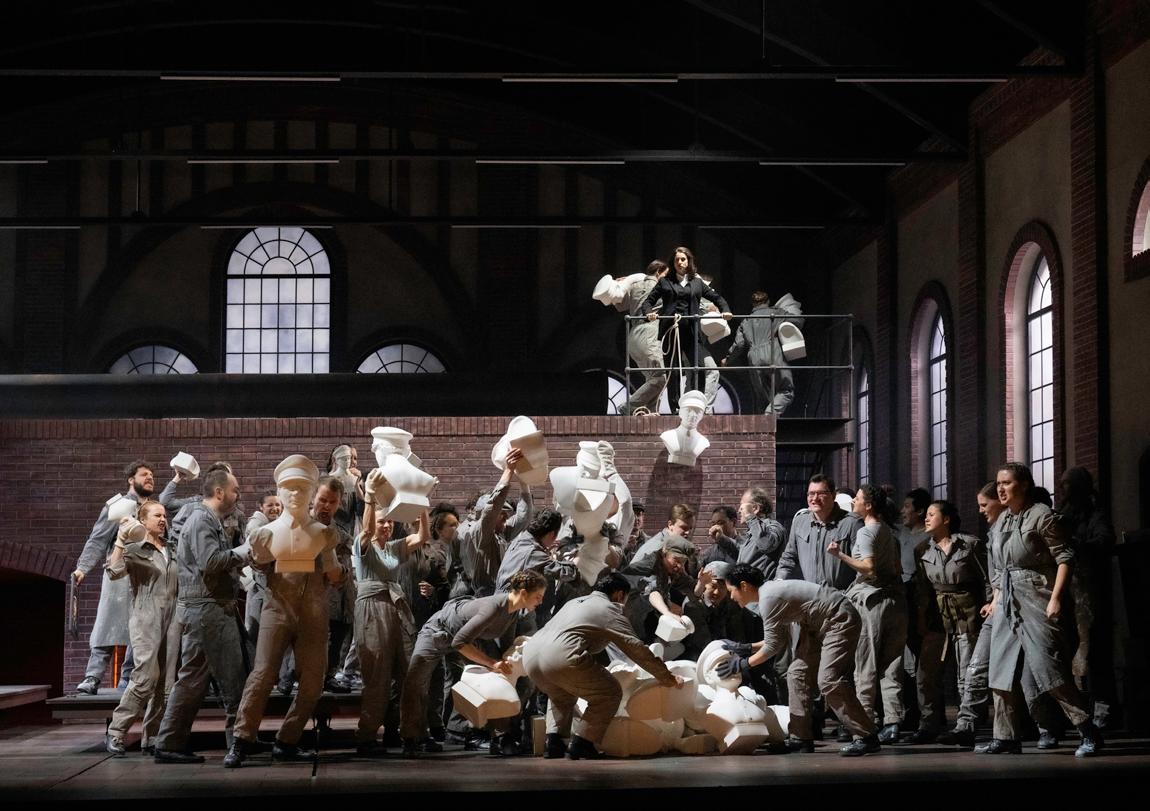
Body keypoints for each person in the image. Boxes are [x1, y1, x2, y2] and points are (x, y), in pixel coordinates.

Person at [977, 462, 1103, 758]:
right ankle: (1005, 736)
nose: (1001, 489)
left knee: (1050, 669)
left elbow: (1065, 558)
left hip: (1037, 596)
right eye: (998, 483)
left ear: (1023, 485)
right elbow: (1000, 567)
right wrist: (996, 599)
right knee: (1000, 671)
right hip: (1008, 598)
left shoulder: (1042, 515)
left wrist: (1056, 598)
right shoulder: (1002, 520)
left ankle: (1088, 731)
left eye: (1007, 483)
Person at [224, 463, 344, 768]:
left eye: (302, 489)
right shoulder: (267, 533)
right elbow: (259, 565)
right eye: (289, 488)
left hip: (314, 610)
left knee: (313, 681)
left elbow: (335, 576)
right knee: (262, 674)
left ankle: (287, 740)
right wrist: (257, 556)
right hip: (277, 605)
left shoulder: (324, 534)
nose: (295, 494)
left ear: (310, 493)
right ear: (279, 491)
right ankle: (242, 739)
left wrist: (335, 566)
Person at [522, 571, 684, 760]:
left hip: (531, 656)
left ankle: (554, 743)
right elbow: (636, 648)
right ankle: (582, 742)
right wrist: (667, 677)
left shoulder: (574, 602)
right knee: (609, 692)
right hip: (559, 656)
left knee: (561, 694)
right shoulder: (608, 609)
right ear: (619, 595)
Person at [722, 564, 880, 756]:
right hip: (815, 624)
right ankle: (800, 738)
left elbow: (772, 647)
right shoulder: (769, 594)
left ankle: (867, 736)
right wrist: (747, 648)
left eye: (731, 591)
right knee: (797, 673)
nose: (731, 597)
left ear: (744, 586)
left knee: (829, 680)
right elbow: (778, 639)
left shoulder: (768, 599)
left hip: (838, 618)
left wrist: (743, 664)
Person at [152, 467, 252, 763]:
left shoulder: (208, 520)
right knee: (230, 680)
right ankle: (238, 742)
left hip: (208, 608)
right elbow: (210, 562)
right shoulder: (201, 520)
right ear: (219, 492)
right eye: (234, 490)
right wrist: (244, 551)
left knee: (194, 679)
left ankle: (171, 742)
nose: (238, 495)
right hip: (209, 610)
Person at [399, 570, 548, 756]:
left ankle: (499, 737)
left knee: (499, 677)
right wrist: (492, 662)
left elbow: (504, 649)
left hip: (471, 640)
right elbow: (459, 642)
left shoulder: (512, 613)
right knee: (415, 681)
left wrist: (508, 662)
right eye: (538, 597)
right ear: (524, 593)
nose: (541, 601)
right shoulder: (493, 607)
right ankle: (412, 737)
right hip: (439, 632)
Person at [353, 469, 431, 756]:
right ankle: (366, 737)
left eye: (389, 521)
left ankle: (410, 735)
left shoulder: (395, 547)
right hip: (373, 608)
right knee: (377, 676)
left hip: (397, 609)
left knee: (409, 672)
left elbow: (422, 536)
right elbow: (365, 531)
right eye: (381, 521)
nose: (386, 526)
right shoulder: (362, 546)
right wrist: (370, 497)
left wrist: (421, 503)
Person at [828, 485, 906, 742]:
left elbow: (869, 568)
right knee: (891, 665)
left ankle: (864, 728)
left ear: (869, 505)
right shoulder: (889, 533)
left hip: (872, 603)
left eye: (858, 498)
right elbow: (896, 568)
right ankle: (892, 722)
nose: (853, 501)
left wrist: (839, 554)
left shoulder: (866, 531)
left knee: (865, 666)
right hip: (895, 601)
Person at [72, 460, 155, 694]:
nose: (149, 478)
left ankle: (128, 677)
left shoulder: (154, 509)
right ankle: (92, 676)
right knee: (107, 623)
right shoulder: (118, 506)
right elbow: (98, 539)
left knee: (141, 627)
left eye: (151, 475)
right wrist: (82, 568)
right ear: (131, 479)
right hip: (119, 574)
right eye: (144, 474)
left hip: (146, 573)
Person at [104, 500, 179, 756]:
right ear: (143, 520)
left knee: (165, 683)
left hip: (173, 619)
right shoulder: (136, 549)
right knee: (145, 677)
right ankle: (116, 731)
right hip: (146, 617)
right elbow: (113, 572)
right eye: (157, 515)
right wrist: (120, 541)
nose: (163, 519)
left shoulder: (172, 548)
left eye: (164, 516)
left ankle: (153, 737)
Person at [915, 499, 990, 748]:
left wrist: (990, 604)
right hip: (938, 616)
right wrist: (922, 617)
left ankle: (966, 726)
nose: (926, 519)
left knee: (966, 673)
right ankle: (929, 724)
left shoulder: (969, 545)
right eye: (926, 514)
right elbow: (923, 589)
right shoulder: (922, 550)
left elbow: (987, 579)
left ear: (946, 519)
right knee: (928, 672)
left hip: (967, 613)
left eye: (932, 514)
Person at [1056, 466, 1117, 729]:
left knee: (1096, 651)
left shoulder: (1094, 513)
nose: (1063, 489)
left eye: (1068, 484)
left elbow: (1104, 541)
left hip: (1090, 591)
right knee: (1069, 649)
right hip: (1069, 592)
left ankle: (1102, 708)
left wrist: (1076, 545)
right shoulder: (1065, 512)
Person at [640, 247, 732, 410]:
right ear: (673, 262)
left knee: (699, 368)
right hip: (671, 332)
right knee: (673, 372)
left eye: (683, 259)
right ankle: (675, 408)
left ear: (689, 261)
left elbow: (716, 297)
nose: (680, 262)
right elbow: (648, 302)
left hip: (691, 332)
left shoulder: (697, 282)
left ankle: (697, 403)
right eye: (677, 260)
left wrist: (725, 310)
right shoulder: (665, 282)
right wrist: (649, 313)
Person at [455, 448, 527, 598]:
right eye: (502, 513)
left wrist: (524, 481)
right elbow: (493, 507)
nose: (506, 517)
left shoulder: (500, 532)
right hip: (486, 597)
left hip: (501, 595)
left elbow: (523, 516)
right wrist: (508, 470)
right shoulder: (479, 532)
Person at [722, 290, 803, 415]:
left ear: (753, 304)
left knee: (762, 397)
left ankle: (765, 419)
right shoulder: (776, 313)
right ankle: (770, 414)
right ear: (768, 301)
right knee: (786, 390)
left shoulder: (746, 321)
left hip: (753, 357)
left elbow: (739, 344)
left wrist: (727, 359)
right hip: (772, 352)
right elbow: (798, 320)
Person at [777, 474, 862, 590]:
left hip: (841, 596)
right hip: (810, 596)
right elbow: (788, 558)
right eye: (811, 493)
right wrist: (779, 580)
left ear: (833, 495)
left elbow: (862, 567)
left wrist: (851, 594)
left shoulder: (852, 523)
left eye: (821, 493)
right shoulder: (800, 522)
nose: (815, 498)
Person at [495, 508, 575, 628]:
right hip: (516, 611)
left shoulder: (521, 539)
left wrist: (544, 551)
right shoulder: (534, 553)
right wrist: (576, 560)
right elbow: (566, 573)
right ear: (552, 534)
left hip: (503, 604)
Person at [620, 260, 670, 415]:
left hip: (633, 336)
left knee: (652, 378)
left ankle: (650, 412)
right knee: (660, 378)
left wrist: (624, 282)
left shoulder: (634, 286)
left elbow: (619, 304)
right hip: (648, 333)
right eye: (666, 274)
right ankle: (629, 406)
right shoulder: (661, 287)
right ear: (658, 272)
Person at [705, 488, 787, 579]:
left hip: (762, 586)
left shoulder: (773, 527)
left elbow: (766, 544)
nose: (739, 511)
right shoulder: (753, 530)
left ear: (755, 508)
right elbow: (742, 552)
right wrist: (721, 538)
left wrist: (750, 517)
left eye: (742, 506)